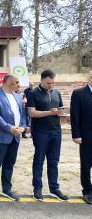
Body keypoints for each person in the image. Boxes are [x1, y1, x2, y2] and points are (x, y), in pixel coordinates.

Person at [27, 69, 69, 202]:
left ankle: (54, 189)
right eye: (48, 83)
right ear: (41, 80)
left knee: (54, 162)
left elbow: (61, 110)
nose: (51, 85)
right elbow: (32, 113)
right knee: (39, 161)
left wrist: (64, 113)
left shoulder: (57, 93)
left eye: (53, 83)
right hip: (40, 132)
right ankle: (37, 189)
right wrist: (50, 113)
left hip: (56, 131)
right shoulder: (33, 93)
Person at [0, 74, 26, 203]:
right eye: (17, 82)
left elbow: (22, 114)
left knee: (9, 164)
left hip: (15, 136)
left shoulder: (17, 96)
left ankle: (6, 189)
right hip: (0, 136)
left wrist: (23, 127)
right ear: (9, 82)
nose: (19, 85)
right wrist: (9, 128)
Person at [70, 70, 92, 204]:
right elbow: (75, 115)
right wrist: (76, 135)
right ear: (88, 77)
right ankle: (87, 191)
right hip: (86, 136)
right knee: (86, 165)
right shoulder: (79, 93)